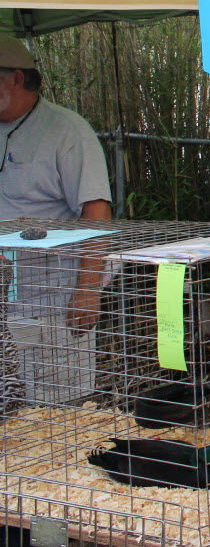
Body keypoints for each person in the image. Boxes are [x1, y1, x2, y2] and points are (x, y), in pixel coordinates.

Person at [0, 36, 112, 406]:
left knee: (56, 399)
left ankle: (57, 459)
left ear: (15, 78)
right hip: (6, 284)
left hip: (52, 289)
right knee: (8, 392)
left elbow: (96, 211)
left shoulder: (67, 130)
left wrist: (87, 291)